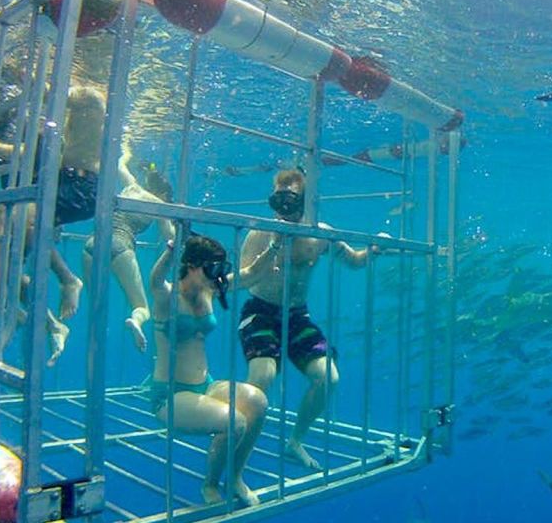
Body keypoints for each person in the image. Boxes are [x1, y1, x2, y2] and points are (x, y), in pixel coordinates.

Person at [238, 168, 375, 470]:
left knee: (329, 378)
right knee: (262, 377)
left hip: (298, 316)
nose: (283, 206)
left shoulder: (321, 233)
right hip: (260, 312)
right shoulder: (260, 231)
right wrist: (272, 250)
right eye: (278, 197)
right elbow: (243, 278)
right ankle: (236, 440)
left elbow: (353, 261)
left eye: (290, 198)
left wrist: (375, 249)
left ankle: (295, 441)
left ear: (307, 200)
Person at [0, 84, 106, 363]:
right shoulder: (41, 126)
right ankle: (43, 320)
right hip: (53, 188)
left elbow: (28, 147)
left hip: (78, 187)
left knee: (12, 212)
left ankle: (2, 294)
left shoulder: (62, 119)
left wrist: (35, 81)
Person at [149, 233, 266, 506]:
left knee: (258, 402)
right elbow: (155, 280)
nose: (218, 275)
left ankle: (235, 477)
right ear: (191, 266)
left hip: (206, 384)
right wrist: (170, 250)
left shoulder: (209, 289)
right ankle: (210, 486)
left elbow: (250, 274)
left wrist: (276, 245)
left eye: (220, 269)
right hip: (170, 395)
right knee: (235, 422)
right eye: (212, 268)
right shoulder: (168, 297)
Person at [82, 142, 174, 352]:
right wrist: (177, 219)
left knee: (95, 301)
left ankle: (96, 340)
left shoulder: (132, 186)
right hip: (121, 245)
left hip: (92, 242)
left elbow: (119, 165)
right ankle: (136, 321)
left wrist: (127, 152)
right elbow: (170, 236)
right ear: (163, 194)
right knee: (141, 307)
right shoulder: (158, 204)